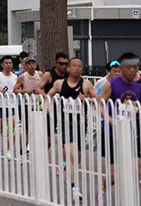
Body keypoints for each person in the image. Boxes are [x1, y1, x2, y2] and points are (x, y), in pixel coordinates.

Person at [47, 58, 97, 200]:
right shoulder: (59, 83)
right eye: (74, 66)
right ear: (68, 68)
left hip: (80, 123)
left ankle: (64, 171)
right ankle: (75, 189)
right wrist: (48, 105)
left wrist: (86, 99)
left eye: (80, 66)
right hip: (64, 123)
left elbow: (97, 99)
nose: (77, 68)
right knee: (71, 155)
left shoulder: (86, 84)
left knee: (77, 158)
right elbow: (48, 95)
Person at [98, 52, 141, 183]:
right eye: (128, 67)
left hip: (132, 131)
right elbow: (99, 103)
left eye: (135, 67)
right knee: (113, 177)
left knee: (135, 168)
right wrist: (109, 119)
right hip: (111, 132)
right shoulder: (111, 84)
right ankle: (103, 189)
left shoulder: (137, 87)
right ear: (122, 68)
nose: (132, 70)